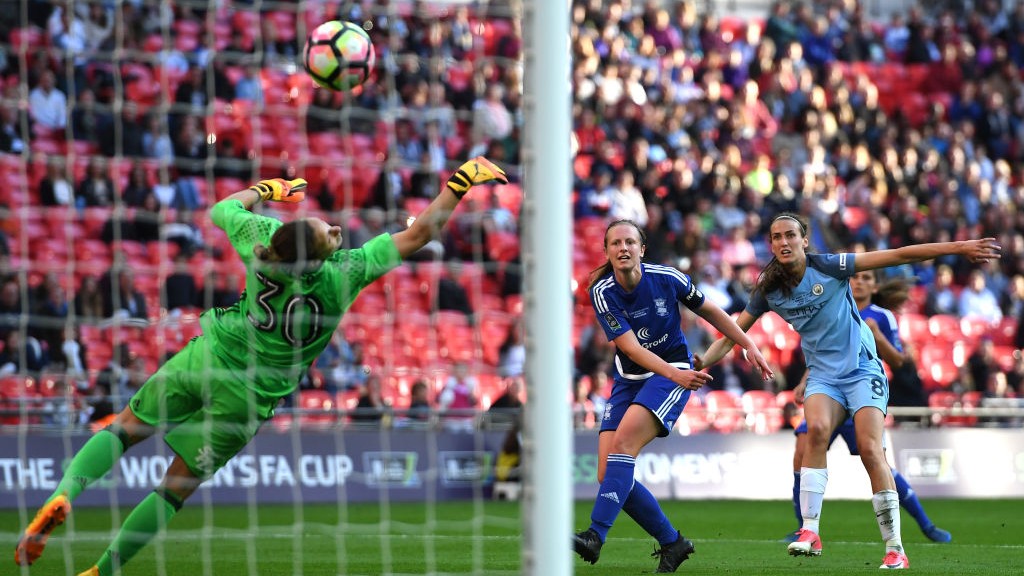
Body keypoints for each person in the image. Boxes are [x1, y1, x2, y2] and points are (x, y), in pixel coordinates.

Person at [14, 156, 507, 575]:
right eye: (328, 232)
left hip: (210, 356)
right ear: (317, 258)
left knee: (123, 428)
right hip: (249, 396)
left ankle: (62, 494)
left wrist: (267, 190)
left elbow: (220, 209)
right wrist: (460, 182)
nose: (335, 229)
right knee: (172, 489)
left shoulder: (263, 241)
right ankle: (101, 571)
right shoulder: (344, 273)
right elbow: (421, 232)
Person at [697, 213, 999, 570]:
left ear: (804, 240)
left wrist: (959, 247)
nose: (783, 242)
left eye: (790, 234)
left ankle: (895, 548)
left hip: (861, 369)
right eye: (776, 236)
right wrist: (697, 366)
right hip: (823, 376)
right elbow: (731, 333)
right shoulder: (769, 290)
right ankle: (810, 531)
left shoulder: (829, 266)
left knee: (872, 450)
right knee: (816, 432)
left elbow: (898, 255)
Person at [572, 219, 773, 573]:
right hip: (632, 378)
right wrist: (673, 373)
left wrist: (749, 343)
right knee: (609, 474)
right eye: (615, 243)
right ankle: (672, 542)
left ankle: (595, 536)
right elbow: (631, 349)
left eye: (629, 242)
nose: (623, 248)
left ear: (641, 249)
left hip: (672, 373)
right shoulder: (602, 291)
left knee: (622, 449)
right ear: (606, 251)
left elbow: (711, 311)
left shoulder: (668, 278)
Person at [782, 269, 951, 545]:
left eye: (867, 278)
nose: (860, 281)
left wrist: (877, 335)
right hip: (828, 388)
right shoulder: (833, 304)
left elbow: (898, 362)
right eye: (856, 277)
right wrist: (805, 381)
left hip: (861, 393)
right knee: (803, 445)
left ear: (875, 287)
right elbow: (821, 350)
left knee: (874, 456)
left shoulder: (882, 316)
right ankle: (805, 528)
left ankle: (925, 524)